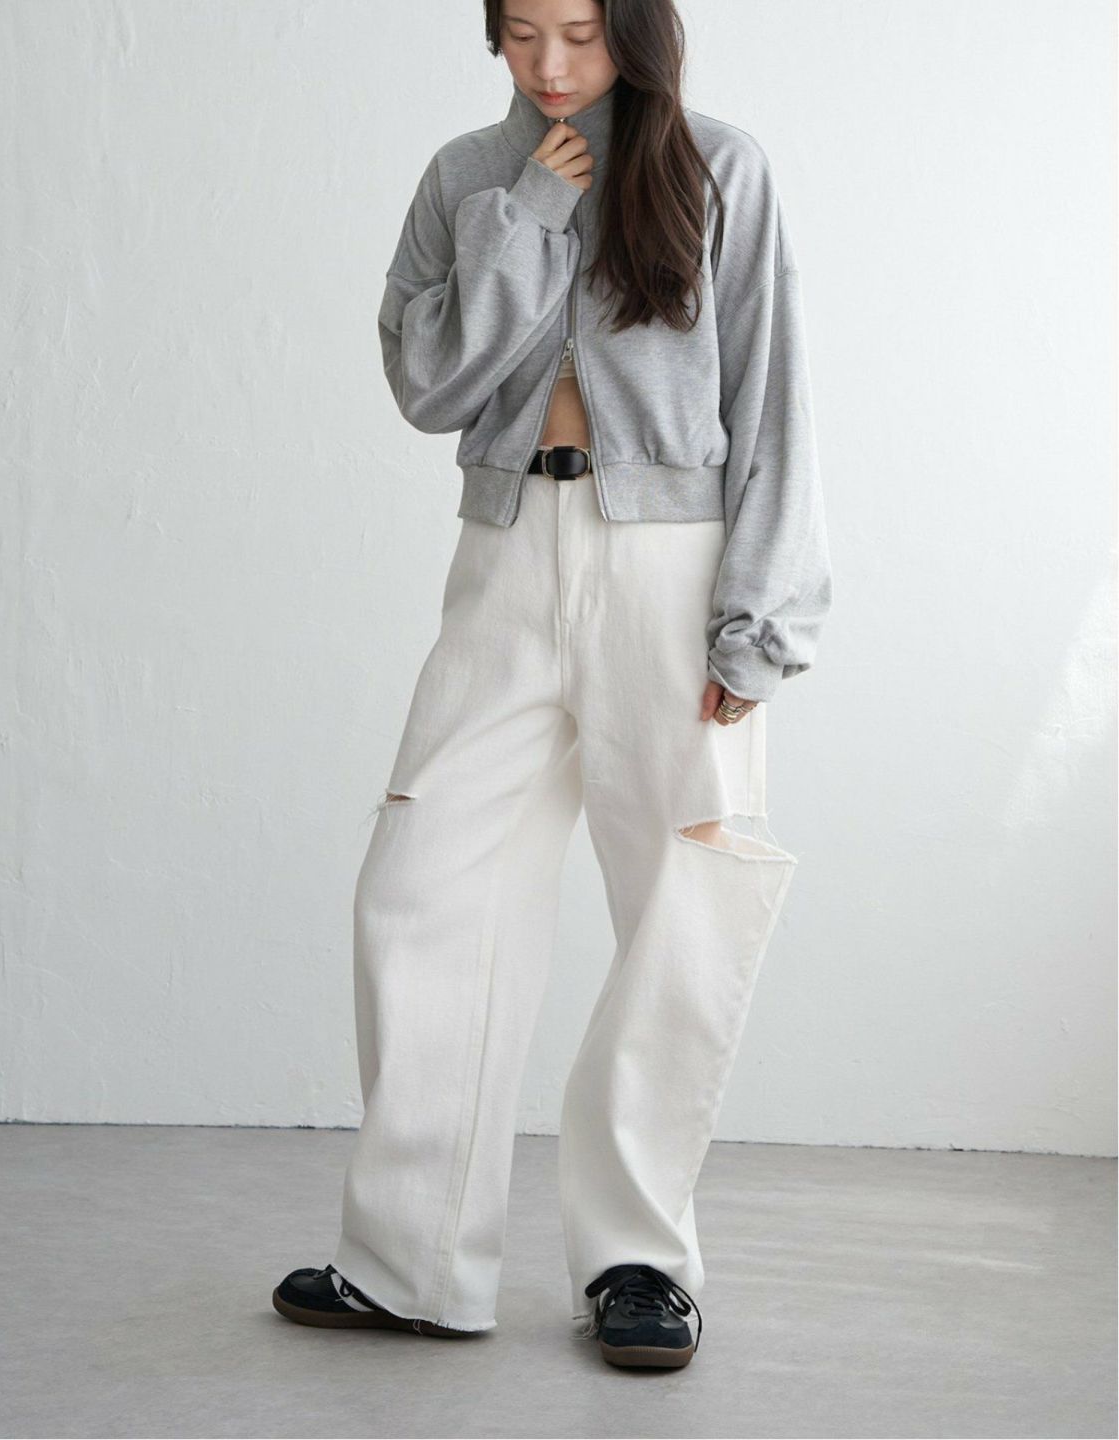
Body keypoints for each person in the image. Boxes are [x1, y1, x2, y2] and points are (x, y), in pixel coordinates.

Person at [272, 0, 833, 1371]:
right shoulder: (468, 176)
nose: (552, 66)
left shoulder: (719, 168)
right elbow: (428, 384)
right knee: (422, 885)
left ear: (633, 27)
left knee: (682, 904)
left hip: (671, 570)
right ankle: (412, 1263)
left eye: (579, 32)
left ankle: (638, 1259)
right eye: (522, 34)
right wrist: (523, 216)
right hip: (507, 553)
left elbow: (773, 397)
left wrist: (760, 620)